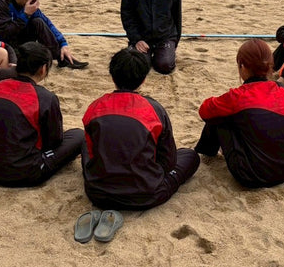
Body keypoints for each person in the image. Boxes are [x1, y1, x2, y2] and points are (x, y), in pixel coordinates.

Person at [81, 48, 199, 210]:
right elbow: (168, 161)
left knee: (84, 141)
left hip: (99, 194)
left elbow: (91, 153)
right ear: (143, 79)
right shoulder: (154, 109)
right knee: (190, 156)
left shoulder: (94, 108)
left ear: (112, 76)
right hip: (146, 196)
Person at [0, 42, 84, 186]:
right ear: (43, 69)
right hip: (24, 172)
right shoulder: (45, 97)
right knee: (78, 135)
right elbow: (54, 141)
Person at [195, 40, 284, 188]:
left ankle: (206, 151)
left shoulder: (238, 96)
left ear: (243, 67)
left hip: (251, 175)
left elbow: (204, 111)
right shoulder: (281, 91)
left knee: (219, 115)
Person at [0, 0, 88, 69]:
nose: (35, 2)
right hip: (3, 45)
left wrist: (63, 44)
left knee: (38, 21)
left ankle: (61, 57)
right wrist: (25, 15)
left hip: (20, 41)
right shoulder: (0, 4)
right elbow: (5, 32)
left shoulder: (27, 4)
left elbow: (47, 23)